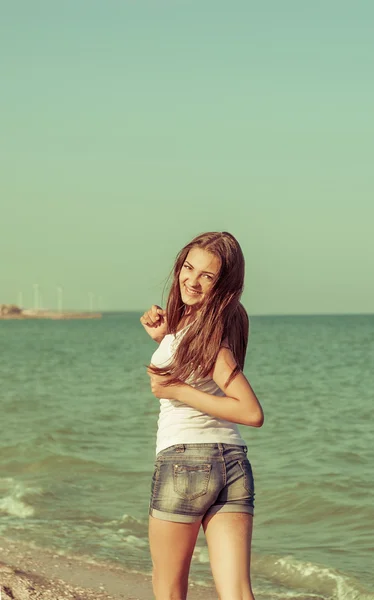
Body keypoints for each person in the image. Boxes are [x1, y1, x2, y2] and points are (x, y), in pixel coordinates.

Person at [140, 231, 264, 600]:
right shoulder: (213, 323)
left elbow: (250, 410)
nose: (191, 281)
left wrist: (177, 390)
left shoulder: (211, 336)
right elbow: (201, 368)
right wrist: (166, 338)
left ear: (223, 284)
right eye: (188, 268)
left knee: (169, 588)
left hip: (185, 462)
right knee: (238, 593)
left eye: (207, 276)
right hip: (233, 464)